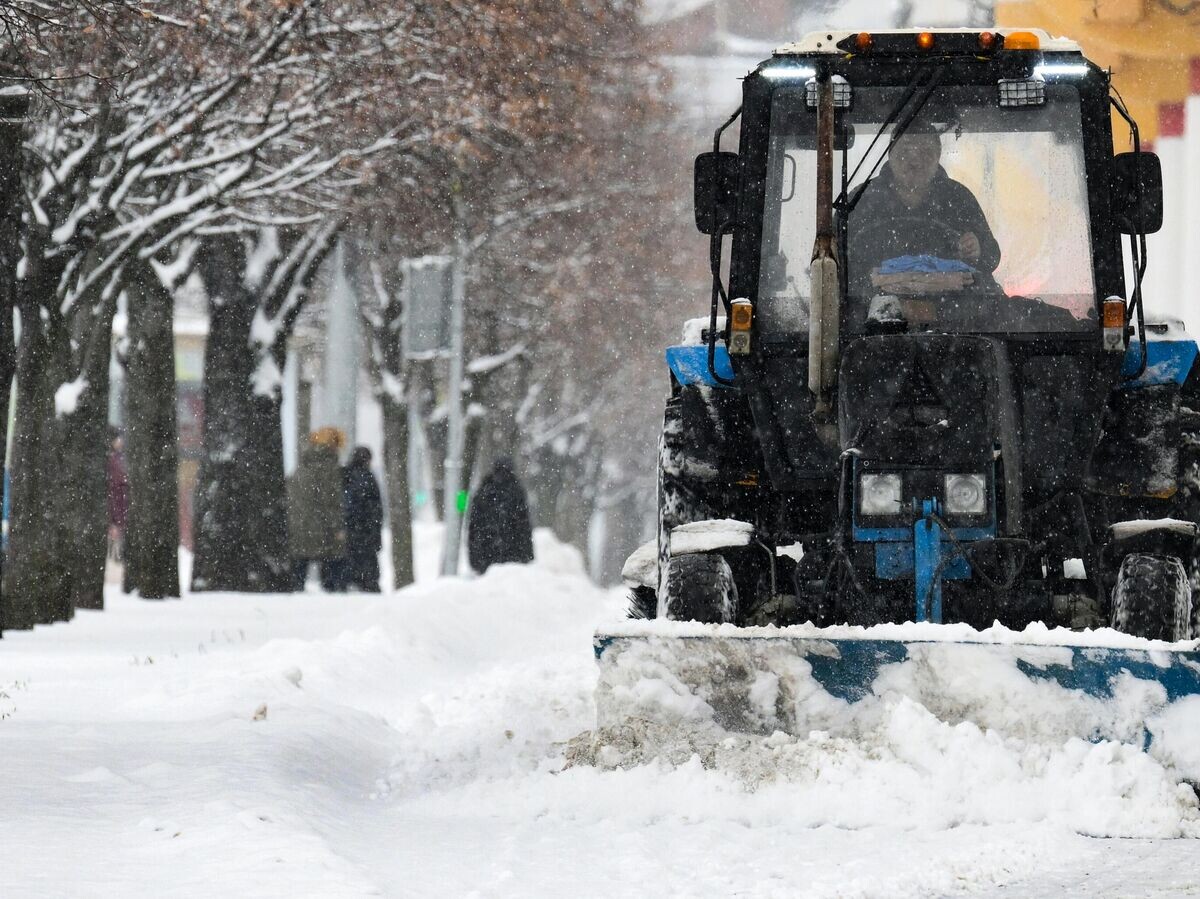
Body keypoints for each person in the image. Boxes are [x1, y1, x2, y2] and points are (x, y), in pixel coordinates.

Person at [848, 124, 1001, 284]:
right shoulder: (861, 199)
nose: (915, 162)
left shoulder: (959, 199)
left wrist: (978, 249)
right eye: (905, 152)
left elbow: (991, 257)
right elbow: (837, 257)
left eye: (925, 152)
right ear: (890, 154)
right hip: (869, 297)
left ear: (938, 156)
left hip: (954, 296)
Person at [286, 427, 347, 591]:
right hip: (323, 529)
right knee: (332, 575)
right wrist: (338, 527)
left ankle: (295, 592)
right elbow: (332, 502)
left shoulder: (302, 466)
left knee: (299, 570)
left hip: (299, 527)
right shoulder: (330, 469)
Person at [467, 457, 534, 574]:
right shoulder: (516, 491)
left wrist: (474, 556)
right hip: (513, 554)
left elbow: (474, 525)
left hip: (486, 553)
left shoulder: (484, 490)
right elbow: (524, 526)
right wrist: (527, 554)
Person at [341, 446, 383, 592]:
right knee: (368, 570)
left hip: (348, 532)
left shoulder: (344, 475)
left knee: (349, 567)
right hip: (365, 532)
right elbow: (376, 510)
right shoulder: (368, 478)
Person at [106, 429, 130, 563]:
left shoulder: (121, 458)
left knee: (120, 523)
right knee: (115, 522)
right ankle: (113, 550)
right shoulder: (113, 458)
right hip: (115, 494)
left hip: (120, 495)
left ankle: (117, 552)